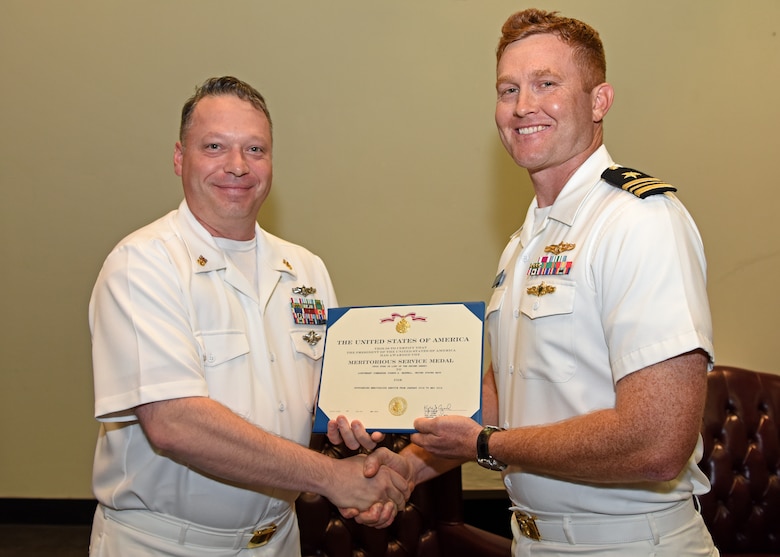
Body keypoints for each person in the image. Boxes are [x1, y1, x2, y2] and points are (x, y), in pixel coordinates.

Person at [332, 9, 718, 556]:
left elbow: (659, 441)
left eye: (546, 84)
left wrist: (489, 445)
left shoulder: (637, 220)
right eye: (507, 88)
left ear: (600, 100)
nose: (522, 106)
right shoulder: (526, 240)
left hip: (630, 543)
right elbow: (504, 394)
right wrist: (405, 469)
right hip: (533, 541)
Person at [88, 76, 411, 557]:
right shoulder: (143, 263)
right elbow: (174, 422)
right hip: (165, 545)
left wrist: (361, 455)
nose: (237, 166)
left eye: (255, 149)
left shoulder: (305, 269)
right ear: (180, 157)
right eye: (215, 146)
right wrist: (335, 481)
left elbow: (328, 406)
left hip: (279, 540)